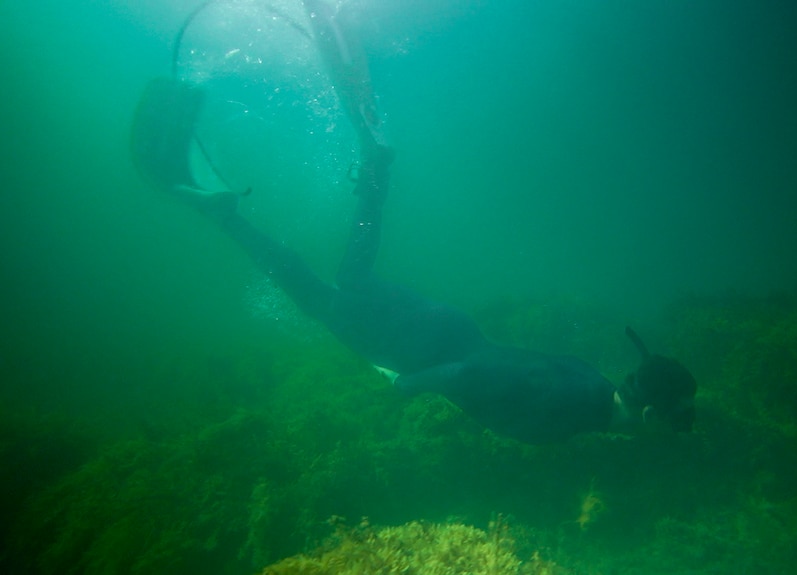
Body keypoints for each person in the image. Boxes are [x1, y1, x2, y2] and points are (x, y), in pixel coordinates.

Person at [131, 1, 696, 444]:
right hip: (422, 352)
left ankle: (370, 176)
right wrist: (404, 387)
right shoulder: (569, 413)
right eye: (672, 422)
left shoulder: (593, 382)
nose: (670, 430)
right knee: (324, 297)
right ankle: (236, 215)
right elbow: (465, 380)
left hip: (447, 327)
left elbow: (504, 371)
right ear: (649, 411)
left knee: (348, 285)